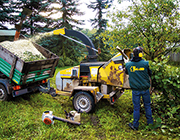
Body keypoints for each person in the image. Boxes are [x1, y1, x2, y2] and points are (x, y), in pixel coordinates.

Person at [125, 46, 153, 130]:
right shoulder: (145, 63)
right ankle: (150, 124)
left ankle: (135, 125)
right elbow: (150, 73)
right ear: (141, 54)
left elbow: (126, 73)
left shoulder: (128, 64)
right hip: (145, 89)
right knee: (147, 106)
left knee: (136, 108)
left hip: (136, 90)